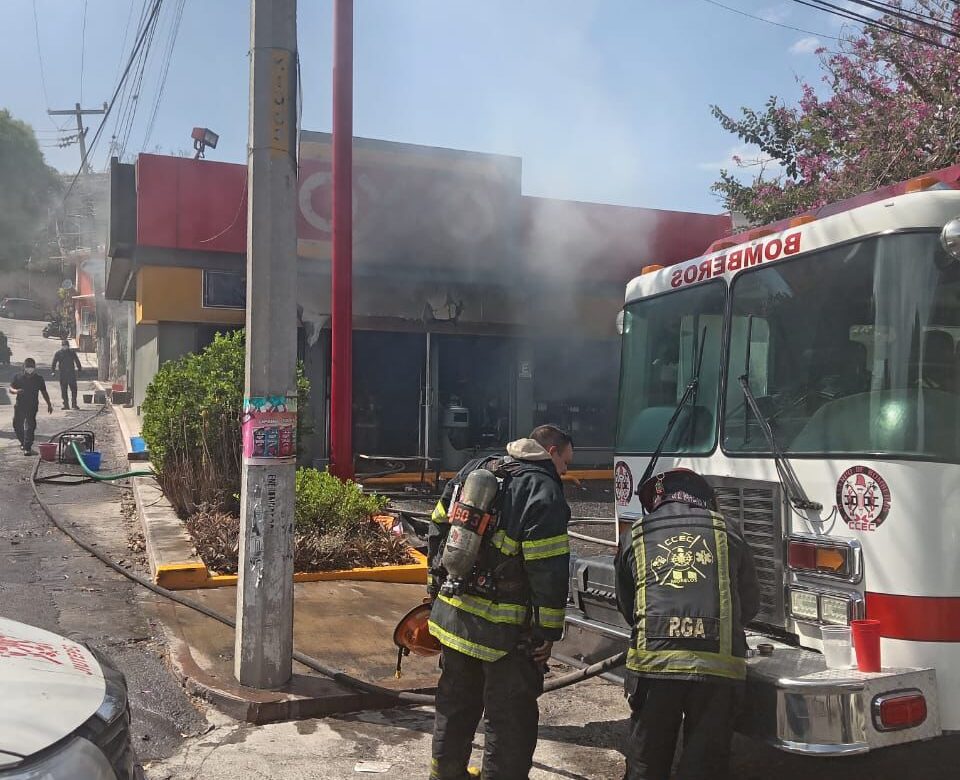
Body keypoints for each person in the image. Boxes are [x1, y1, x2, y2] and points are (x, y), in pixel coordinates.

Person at [427, 424, 574, 780]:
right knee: (509, 722)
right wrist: (547, 633)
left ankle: (445, 775)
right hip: (505, 635)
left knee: (454, 707)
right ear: (551, 453)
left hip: (455, 617)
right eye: (566, 463)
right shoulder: (542, 490)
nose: (566, 471)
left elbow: (438, 525)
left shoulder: (477, 468)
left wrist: (435, 589)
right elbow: (548, 570)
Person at [615, 468, 760, 780]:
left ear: (657, 499)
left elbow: (627, 607)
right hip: (717, 669)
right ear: (705, 499)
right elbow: (750, 605)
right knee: (704, 766)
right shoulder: (728, 530)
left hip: (653, 666)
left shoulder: (635, 534)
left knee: (646, 763)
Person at [10, 358, 53, 456]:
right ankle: (23, 442)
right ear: (24, 367)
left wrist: (49, 404)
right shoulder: (18, 377)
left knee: (30, 426)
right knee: (17, 424)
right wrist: (16, 391)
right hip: (20, 405)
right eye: (28, 366)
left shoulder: (39, 378)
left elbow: (44, 392)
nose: (30, 369)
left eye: (32, 367)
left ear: (35, 367)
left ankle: (27, 447)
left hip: (32, 406)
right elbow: (11, 388)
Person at [51, 339, 82, 410]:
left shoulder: (72, 353)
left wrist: (79, 370)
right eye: (63, 346)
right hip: (63, 374)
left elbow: (77, 361)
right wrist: (53, 371)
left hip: (71, 374)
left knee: (74, 390)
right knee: (64, 390)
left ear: (68, 346)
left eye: (66, 346)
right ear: (62, 346)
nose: (65, 347)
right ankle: (66, 405)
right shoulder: (58, 353)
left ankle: (74, 404)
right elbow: (54, 362)